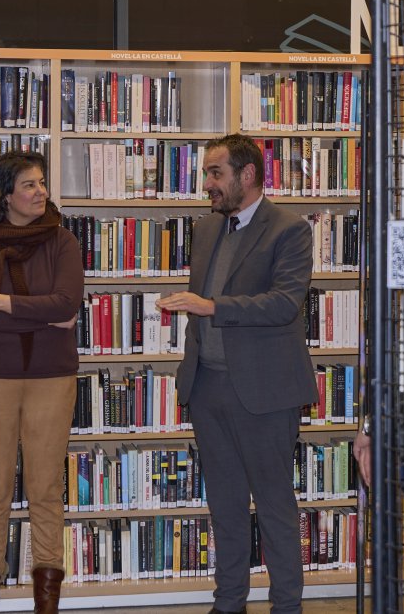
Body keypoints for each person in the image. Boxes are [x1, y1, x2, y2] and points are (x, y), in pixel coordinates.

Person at [157, 134, 317, 614]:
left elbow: (284, 304)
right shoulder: (206, 230)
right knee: (224, 506)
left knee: (274, 508)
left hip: (265, 392)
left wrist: (211, 307)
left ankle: (286, 606)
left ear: (247, 175)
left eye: (215, 173)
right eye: (206, 173)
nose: (207, 183)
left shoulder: (290, 230)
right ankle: (228, 603)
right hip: (208, 386)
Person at [0, 150, 83, 614]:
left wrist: (4, 304)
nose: (41, 192)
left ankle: (46, 602)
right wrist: (46, 314)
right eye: (30, 185)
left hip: (52, 376)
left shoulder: (64, 241)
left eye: (42, 183)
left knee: (46, 487)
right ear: (5, 194)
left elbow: (66, 304)